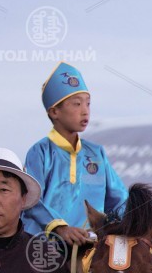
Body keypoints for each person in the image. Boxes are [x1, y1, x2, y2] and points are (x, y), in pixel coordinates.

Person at [21, 62, 128, 245]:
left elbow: (120, 200)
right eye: (77, 104)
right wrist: (60, 228)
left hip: (91, 247)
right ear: (54, 112)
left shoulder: (96, 153)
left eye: (88, 104)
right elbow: (31, 200)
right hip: (46, 247)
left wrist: (125, 223)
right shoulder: (40, 152)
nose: (85, 111)